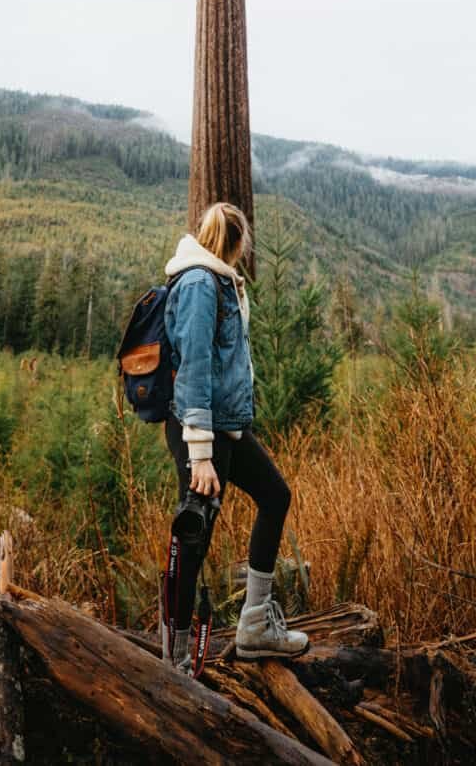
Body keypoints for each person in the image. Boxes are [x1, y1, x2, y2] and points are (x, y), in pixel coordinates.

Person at [161, 201, 308, 671]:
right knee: (194, 540)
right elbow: (195, 369)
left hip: (226, 428)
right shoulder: (202, 283)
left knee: (275, 494)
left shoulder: (219, 278)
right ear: (238, 242)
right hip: (200, 433)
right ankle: (176, 659)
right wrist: (200, 454)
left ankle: (255, 628)